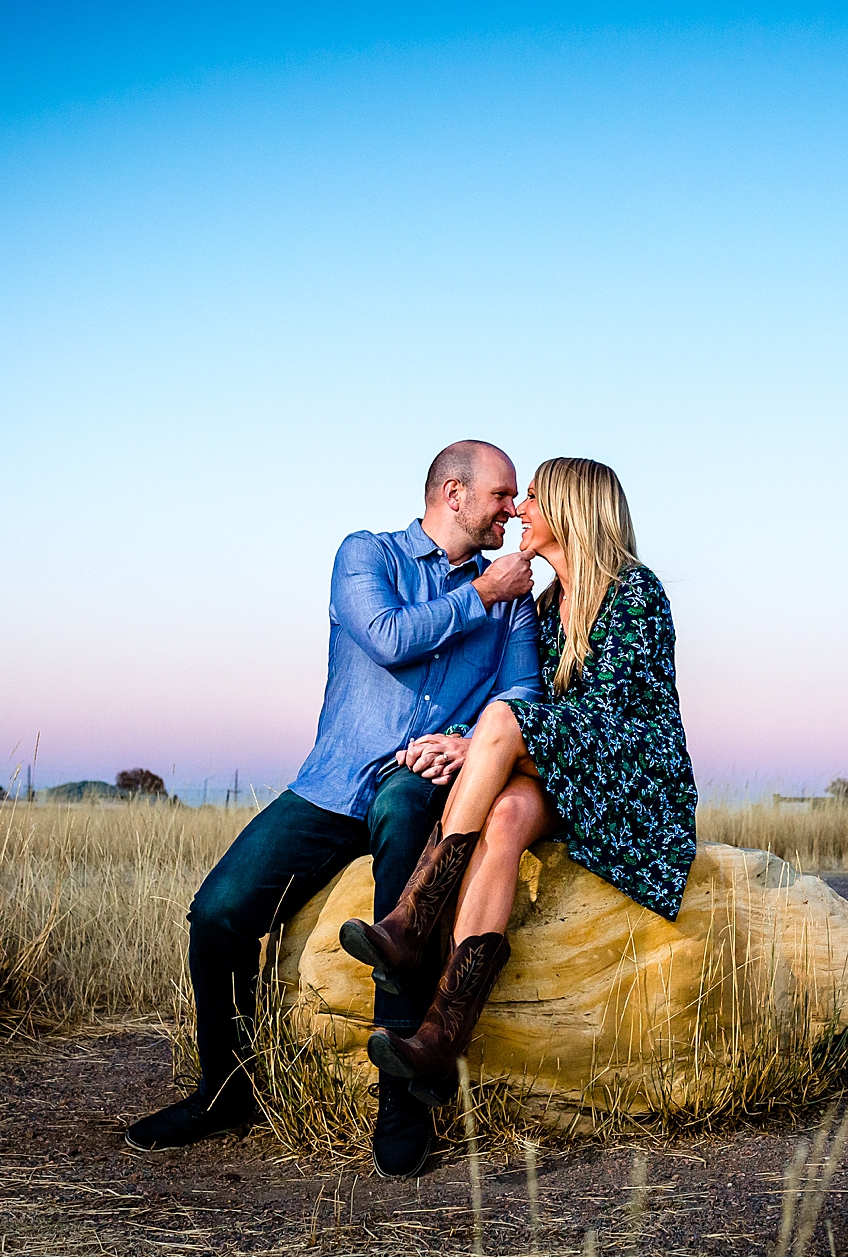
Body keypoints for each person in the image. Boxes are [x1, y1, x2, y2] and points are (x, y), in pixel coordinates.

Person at [123, 440, 541, 1178]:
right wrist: (479, 596)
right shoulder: (366, 556)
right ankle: (225, 1093)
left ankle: (402, 1097)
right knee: (217, 911)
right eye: (502, 494)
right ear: (452, 492)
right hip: (333, 782)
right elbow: (385, 638)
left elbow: (523, 695)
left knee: (407, 831)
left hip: (423, 782)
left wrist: (469, 740)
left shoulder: (511, 599)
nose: (514, 509)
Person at [342, 457, 699, 1108]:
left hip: (634, 778)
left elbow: (612, 715)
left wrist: (482, 739)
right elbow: (538, 715)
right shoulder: (545, 605)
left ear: (568, 510)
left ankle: (414, 921)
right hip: (569, 770)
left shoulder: (633, 591)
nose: (518, 510)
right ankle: (442, 1036)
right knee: (504, 814)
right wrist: (470, 742)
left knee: (502, 718)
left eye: (531, 497)